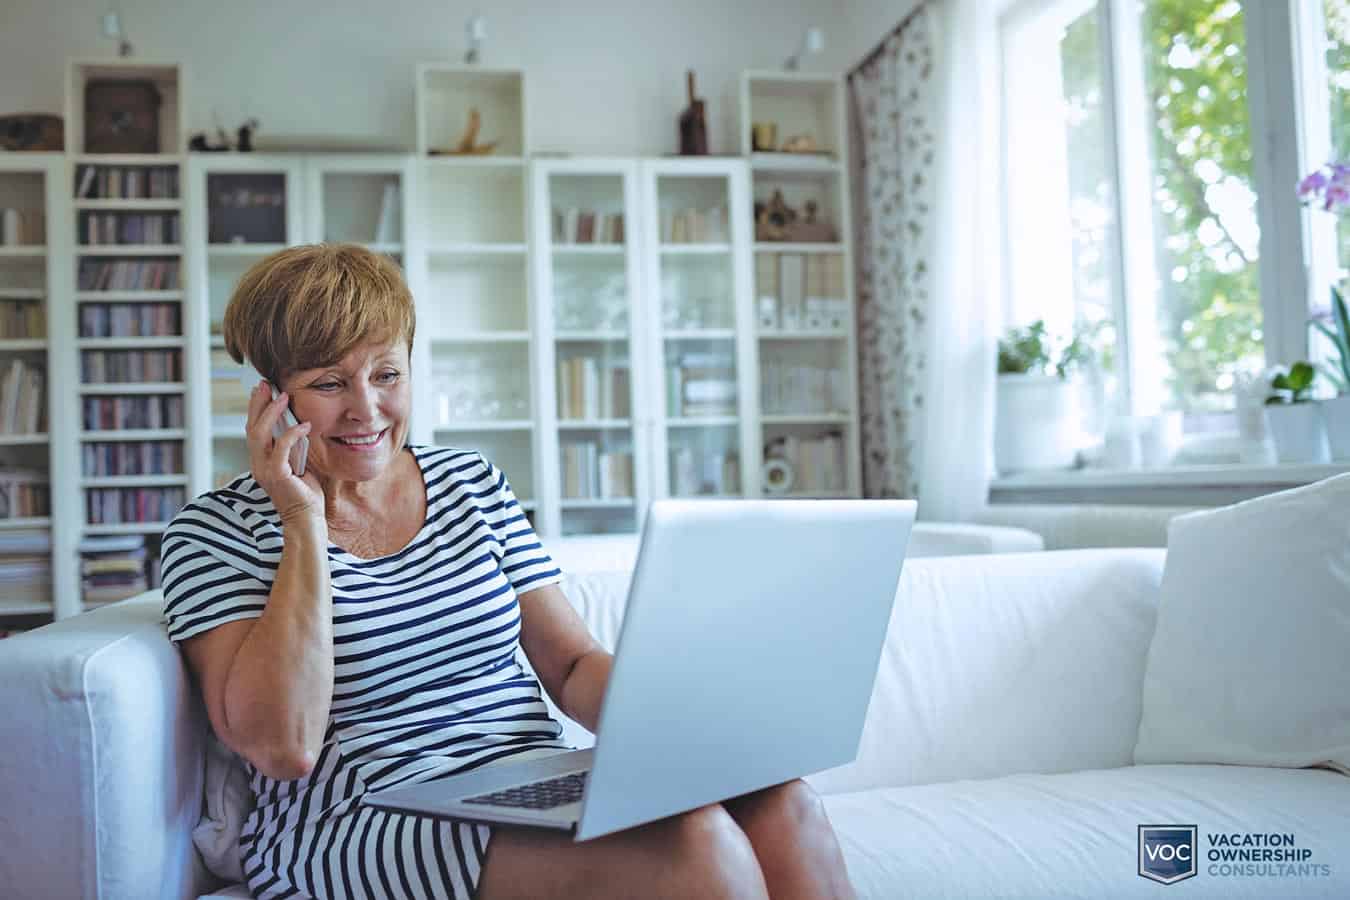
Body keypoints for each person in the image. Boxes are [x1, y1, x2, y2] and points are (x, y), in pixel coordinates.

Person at [161, 243, 856, 900]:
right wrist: (302, 522)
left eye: (387, 374)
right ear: (271, 399)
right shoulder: (213, 534)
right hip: (352, 816)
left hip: (523, 780)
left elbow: (574, 664)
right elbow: (284, 747)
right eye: (329, 384)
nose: (366, 409)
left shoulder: (471, 483)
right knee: (696, 844)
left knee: (782, 802)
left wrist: (686, 721)